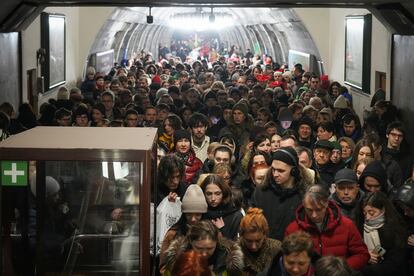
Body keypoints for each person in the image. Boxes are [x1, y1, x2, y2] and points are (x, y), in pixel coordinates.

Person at [285, 185, 370, 271]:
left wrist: (340, 269)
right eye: (309, 210)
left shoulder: (347, 225)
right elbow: (287, 258)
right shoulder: (293, 229)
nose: (314, 215)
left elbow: (362, 254)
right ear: (303, 205)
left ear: (326, 203)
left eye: (318, 210)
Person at [252, 147, 313, 240]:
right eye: (273, 169)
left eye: (281, 171)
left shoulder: (304, 196)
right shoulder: (261, 192)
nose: (275, 174)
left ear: (294, 171)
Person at [161, 220, 244, 275]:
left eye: (210, 248)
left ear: (217, 242)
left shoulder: (230, 261)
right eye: (199, 248)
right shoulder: (176, 259)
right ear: (191, 242)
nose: (204, 254)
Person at [356, 191, 408, 276]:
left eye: (372, 212)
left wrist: (367, 270)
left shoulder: (396, 231)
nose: (367, 217)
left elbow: (395, 263)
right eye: (364, 213)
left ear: (383, 210)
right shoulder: (358, 226)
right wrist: (365, 256)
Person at [160, 184, 208, 266]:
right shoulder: (172, 234)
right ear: (184, 214)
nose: (193, 219)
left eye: (198, 215)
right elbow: (163, 266)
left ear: (203, 214)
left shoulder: (210, 232)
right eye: (189, 214)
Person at [239, 208, 281, 275]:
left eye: (258, 241)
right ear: (242, 236)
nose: (253, 246)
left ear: (265, 235)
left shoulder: (276, 249)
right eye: (249, 241)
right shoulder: (235, 251)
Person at [200, 174, 243, 240]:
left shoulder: (236, 216)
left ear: (224, 193)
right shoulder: (199, 213)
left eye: (217, 194)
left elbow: (236, 245)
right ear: (203, 193)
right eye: (209, 194)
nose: (213, 198)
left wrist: (223, 230)